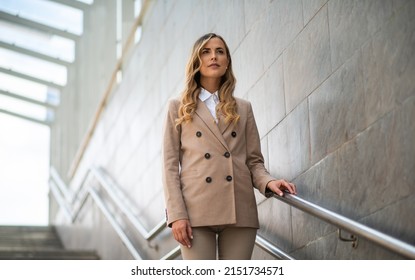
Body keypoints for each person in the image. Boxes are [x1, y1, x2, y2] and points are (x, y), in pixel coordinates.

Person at [162, 33, 297, 260]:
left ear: (227, 63)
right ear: (196, 61)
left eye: (220, 51)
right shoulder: (178, 107)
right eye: (206, 51)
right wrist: (176, 214)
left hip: (239, 208)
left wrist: (269, 181)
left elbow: (254, 162)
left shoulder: (243, 108)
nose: (213, 56)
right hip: (195, 211)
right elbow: (169, 167)